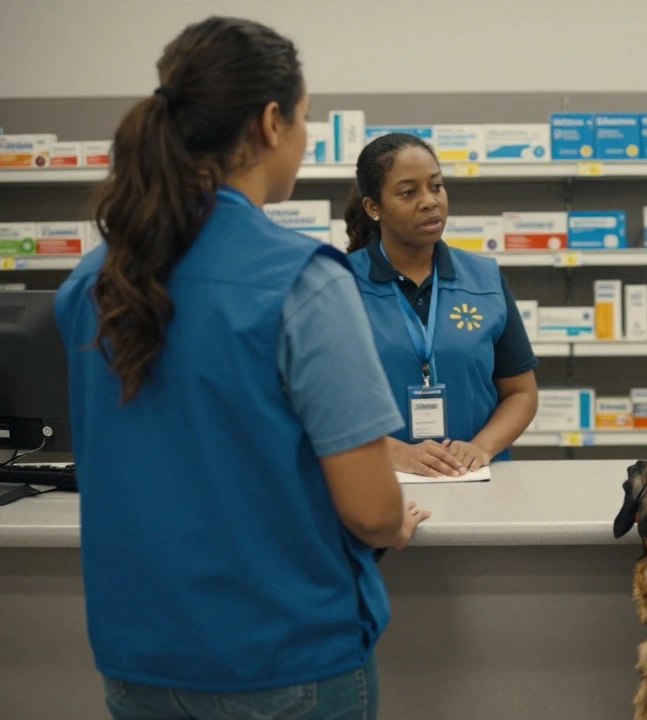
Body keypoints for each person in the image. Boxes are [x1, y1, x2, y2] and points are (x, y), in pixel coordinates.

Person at [54, 17, 429, 719]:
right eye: (304, 120)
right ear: (268, 123)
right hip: (284, 661)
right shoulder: (302, 282)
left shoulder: (94, 282)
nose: (305, 139)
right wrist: (393, 524)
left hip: (139, 661)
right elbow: (374, 511)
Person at [343, 133, 540, 477]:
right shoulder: (337, 285)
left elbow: (521, 393)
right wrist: (393, 453)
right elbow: (317, 405)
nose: (429, 201)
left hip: (476, 482)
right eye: (409, 192)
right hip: (377, 484)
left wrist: (481, 447)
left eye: (436, 186)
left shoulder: (485, 279)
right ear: (373, 207)